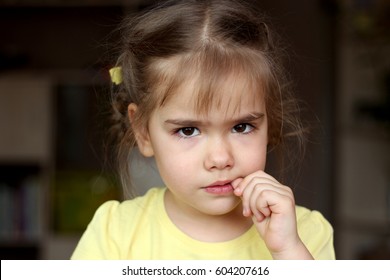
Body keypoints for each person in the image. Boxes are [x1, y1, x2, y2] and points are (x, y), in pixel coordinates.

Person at [71, 0, 335, 260]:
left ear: (269, 122)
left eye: (242, 127)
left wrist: (287, 252)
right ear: (143, 131)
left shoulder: (304, 233)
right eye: (188, 131)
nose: (220, 159)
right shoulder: (115, 233)